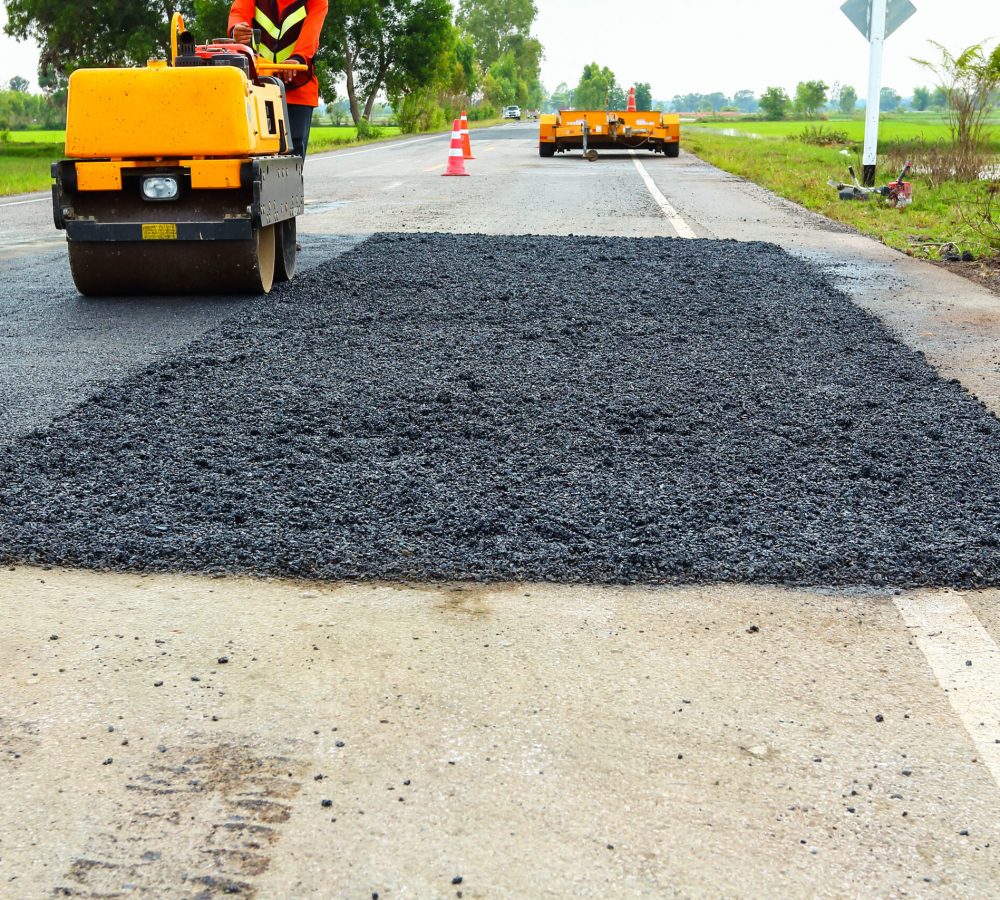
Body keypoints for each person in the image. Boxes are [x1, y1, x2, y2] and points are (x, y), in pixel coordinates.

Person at [228, 0, 328, 158]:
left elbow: (312, 33)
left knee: (292, 155)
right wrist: (236, 29)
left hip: (297, 90)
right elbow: (239, 13)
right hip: (257, 89)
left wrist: (298, 58)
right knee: (252, 155)